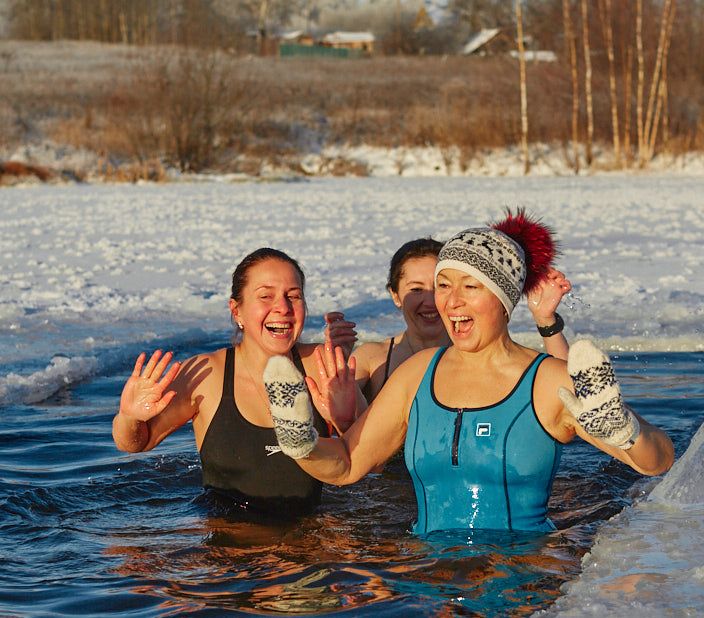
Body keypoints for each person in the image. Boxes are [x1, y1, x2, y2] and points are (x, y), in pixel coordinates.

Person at [261, 211, 675, 535]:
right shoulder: (417, 374)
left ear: (503, 299)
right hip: (430, 580)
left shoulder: (549, 380)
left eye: (470, 287)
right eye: (444, 285)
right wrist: (304, 445)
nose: (451, 302)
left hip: (521, 578)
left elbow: (658, 462)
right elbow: (348, 464)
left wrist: (626, 431)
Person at [111, 247, 362, 515]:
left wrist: (347, 423)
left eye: (294, 296)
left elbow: (371, 457)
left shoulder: (323, 365)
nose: (283, 308)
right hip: (230, 544)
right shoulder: (206, 374)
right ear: (237, 311)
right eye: (266, 296)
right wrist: (130, 417)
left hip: (311, 540)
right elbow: (135, 443)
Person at [351, 236, 573, 404]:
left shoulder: (484, 356)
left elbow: (569, 397)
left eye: (441, 286)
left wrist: (545, 320)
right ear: (395, 295)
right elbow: (339, 426)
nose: (430, 300)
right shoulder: (373, 359)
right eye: (417, 289)